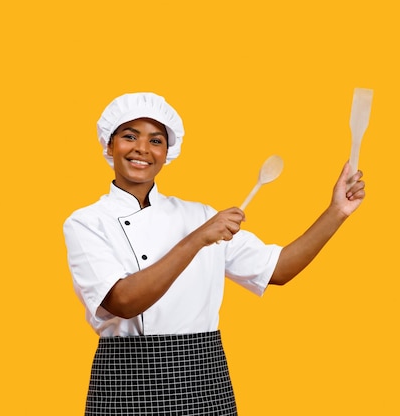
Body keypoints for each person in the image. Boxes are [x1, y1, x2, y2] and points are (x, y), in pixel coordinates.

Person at [63, 92, 366, 415]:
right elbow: (123, 301)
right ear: (109, 146)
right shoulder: (86, 222)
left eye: (156, 140)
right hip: (126, 379)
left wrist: (336, 212)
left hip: (203, 376)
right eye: (129, 136)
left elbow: (278, 269)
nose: (142, 149)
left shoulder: (200, 215)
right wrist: (198, 239)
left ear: (167, 153)